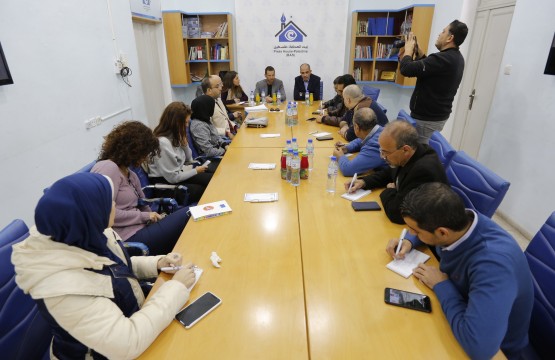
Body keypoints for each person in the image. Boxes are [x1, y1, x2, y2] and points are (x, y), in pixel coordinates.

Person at [11, 172, 197, 359]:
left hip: (130, 319)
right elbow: (127, 343)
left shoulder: (89, 233)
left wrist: (156, 263)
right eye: (109, 202)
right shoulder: (65, 290)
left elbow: (115, 267)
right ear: (91, 213)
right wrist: (175, 288)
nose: (115, 204)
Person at [387, 183, 534, 359]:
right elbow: (432, 232)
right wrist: (410, 241)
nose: (410, 232)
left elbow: (480, 348)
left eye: (415, 231)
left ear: (442, 233)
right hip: (468, 305)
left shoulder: (493, 265)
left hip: (501, 349)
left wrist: (441, 285)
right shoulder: (463, 219)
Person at [91, 121, 190, 255]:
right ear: (132, 149)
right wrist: (145, 216)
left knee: (183, 234)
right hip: (128, 239)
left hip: (142, 229)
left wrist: (153, 217)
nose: (145, 158)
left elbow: (143, 203)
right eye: (144, 153)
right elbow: (104, 213)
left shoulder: (130, 173)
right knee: (188, 213)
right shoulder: (108, 168)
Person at [345, 120, 447, 224]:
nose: (382, 156)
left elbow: (397, 213)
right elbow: (389, 172)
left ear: (405, 150)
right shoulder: (411, 153)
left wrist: (388, 190)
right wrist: (364, 182)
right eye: (381, 151)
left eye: (385, 152)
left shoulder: (423, 172)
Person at [399, 20, 468, 144]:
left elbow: (406, 69)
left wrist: (408, 50)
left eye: (443, 31)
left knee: (415, 155)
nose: (439, 34)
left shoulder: (443, 59)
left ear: (450, 38)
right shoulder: (455, 57)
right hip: (435, 117)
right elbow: (430, 70)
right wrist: (419, 53)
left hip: (426, 120)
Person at [148, 101, 213, 204]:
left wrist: (185, 145)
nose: (187, 126)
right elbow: (173, 178)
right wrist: (196, 171)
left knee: (211, 179)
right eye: (185, 122)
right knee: (205, 189)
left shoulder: (174, 136)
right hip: (166, 187)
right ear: (175, 122)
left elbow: (189, 160)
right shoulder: (162, 143)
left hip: (178, 176)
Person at [318, 84, 388, 142]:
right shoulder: (356, 104)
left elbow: (351, 136)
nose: (343, 101)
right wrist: (345, 126)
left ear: (348, 100)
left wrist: (345, 132)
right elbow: (343, 119)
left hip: (380, 142)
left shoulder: (362, 110)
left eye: (344, 99)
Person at [332, 108, 386, 176]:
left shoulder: (375, 145)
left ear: (356, 127)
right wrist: (347, 148)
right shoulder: (379, 130)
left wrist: (340, 156)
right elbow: (361, 139)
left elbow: (348, 169)